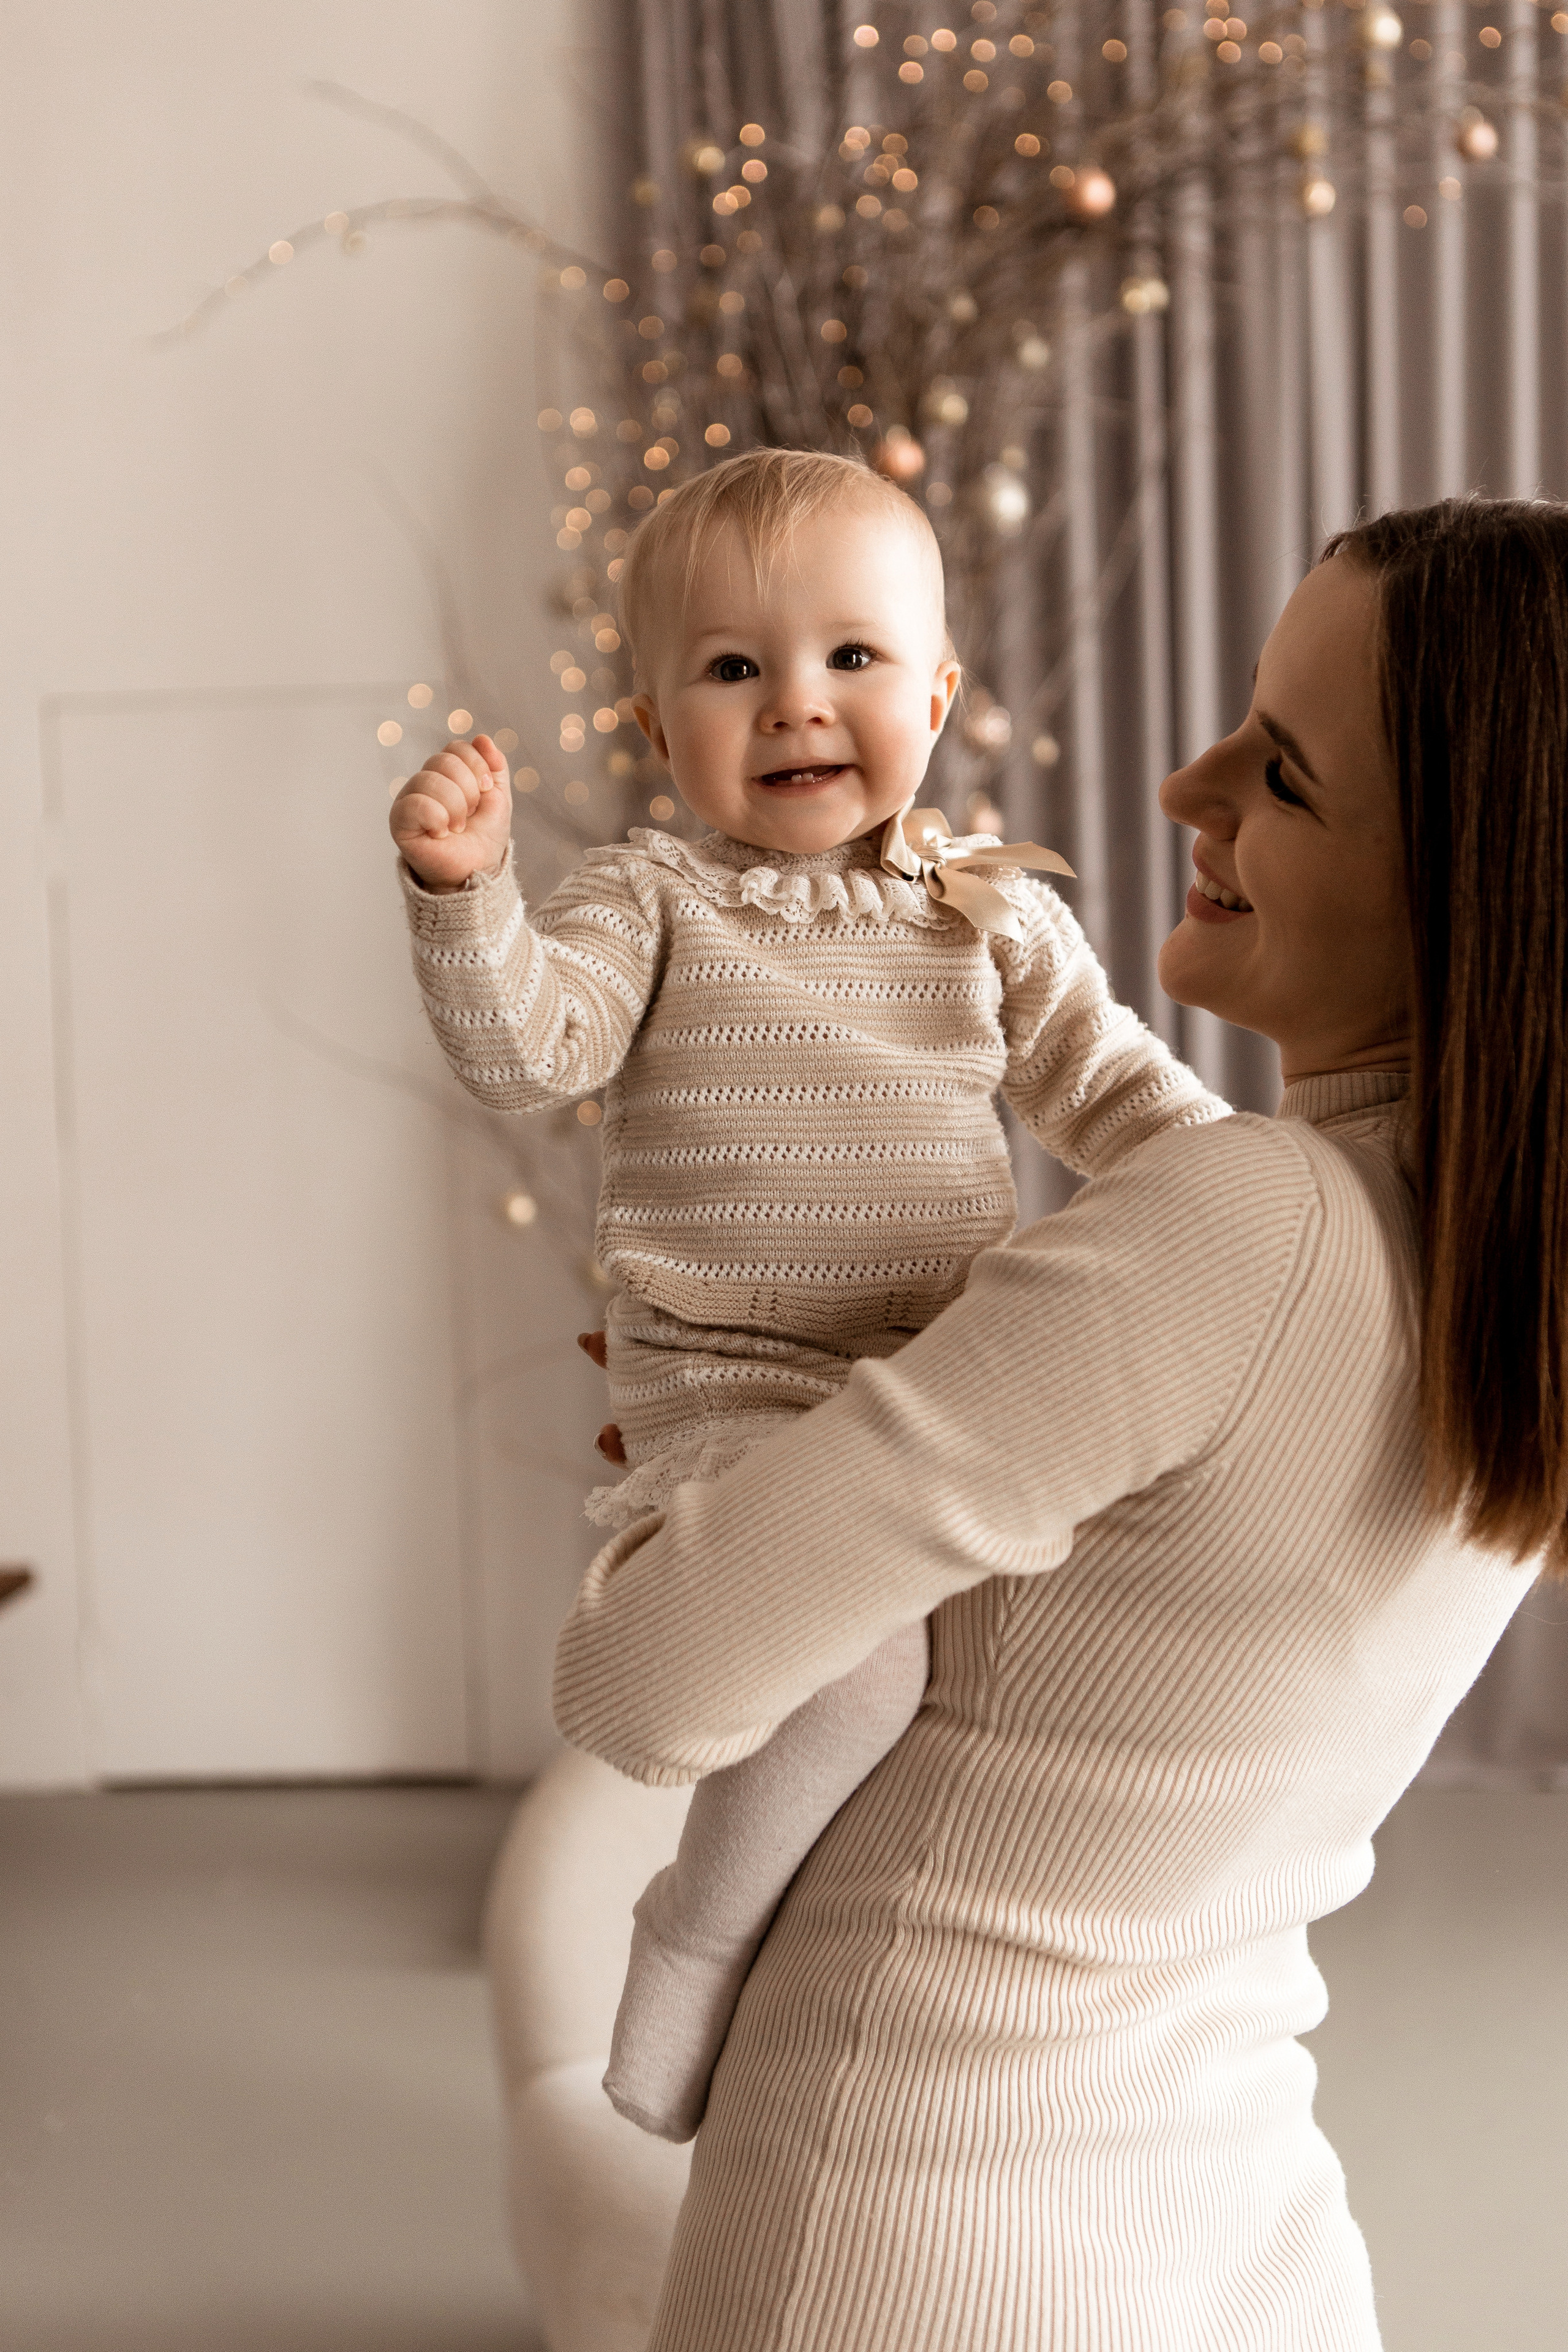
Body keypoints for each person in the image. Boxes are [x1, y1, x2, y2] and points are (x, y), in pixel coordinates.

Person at [552, 497, 1567, 2349]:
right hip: (1238, 2213)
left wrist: (710, 1484)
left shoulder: (1249, 1224)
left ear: (1470, 884)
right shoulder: (1526, 1293)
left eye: (1284, 769)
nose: (1188, 786)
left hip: (903, 2227)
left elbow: (641, 1685)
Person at [388, 450, 1225, 2144]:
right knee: (849, 1676)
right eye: (731, 668)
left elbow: (1128, 1106)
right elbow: (524, 1048)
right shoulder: (657, 902)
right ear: (656, 721)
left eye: (852, 658)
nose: (797, 706)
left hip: (954, 1391)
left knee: (1022, 1670)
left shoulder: (987, 911)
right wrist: (464, 897)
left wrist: (1267, 1206)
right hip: (739, 1406)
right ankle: (692, 1933)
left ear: (939, 690)